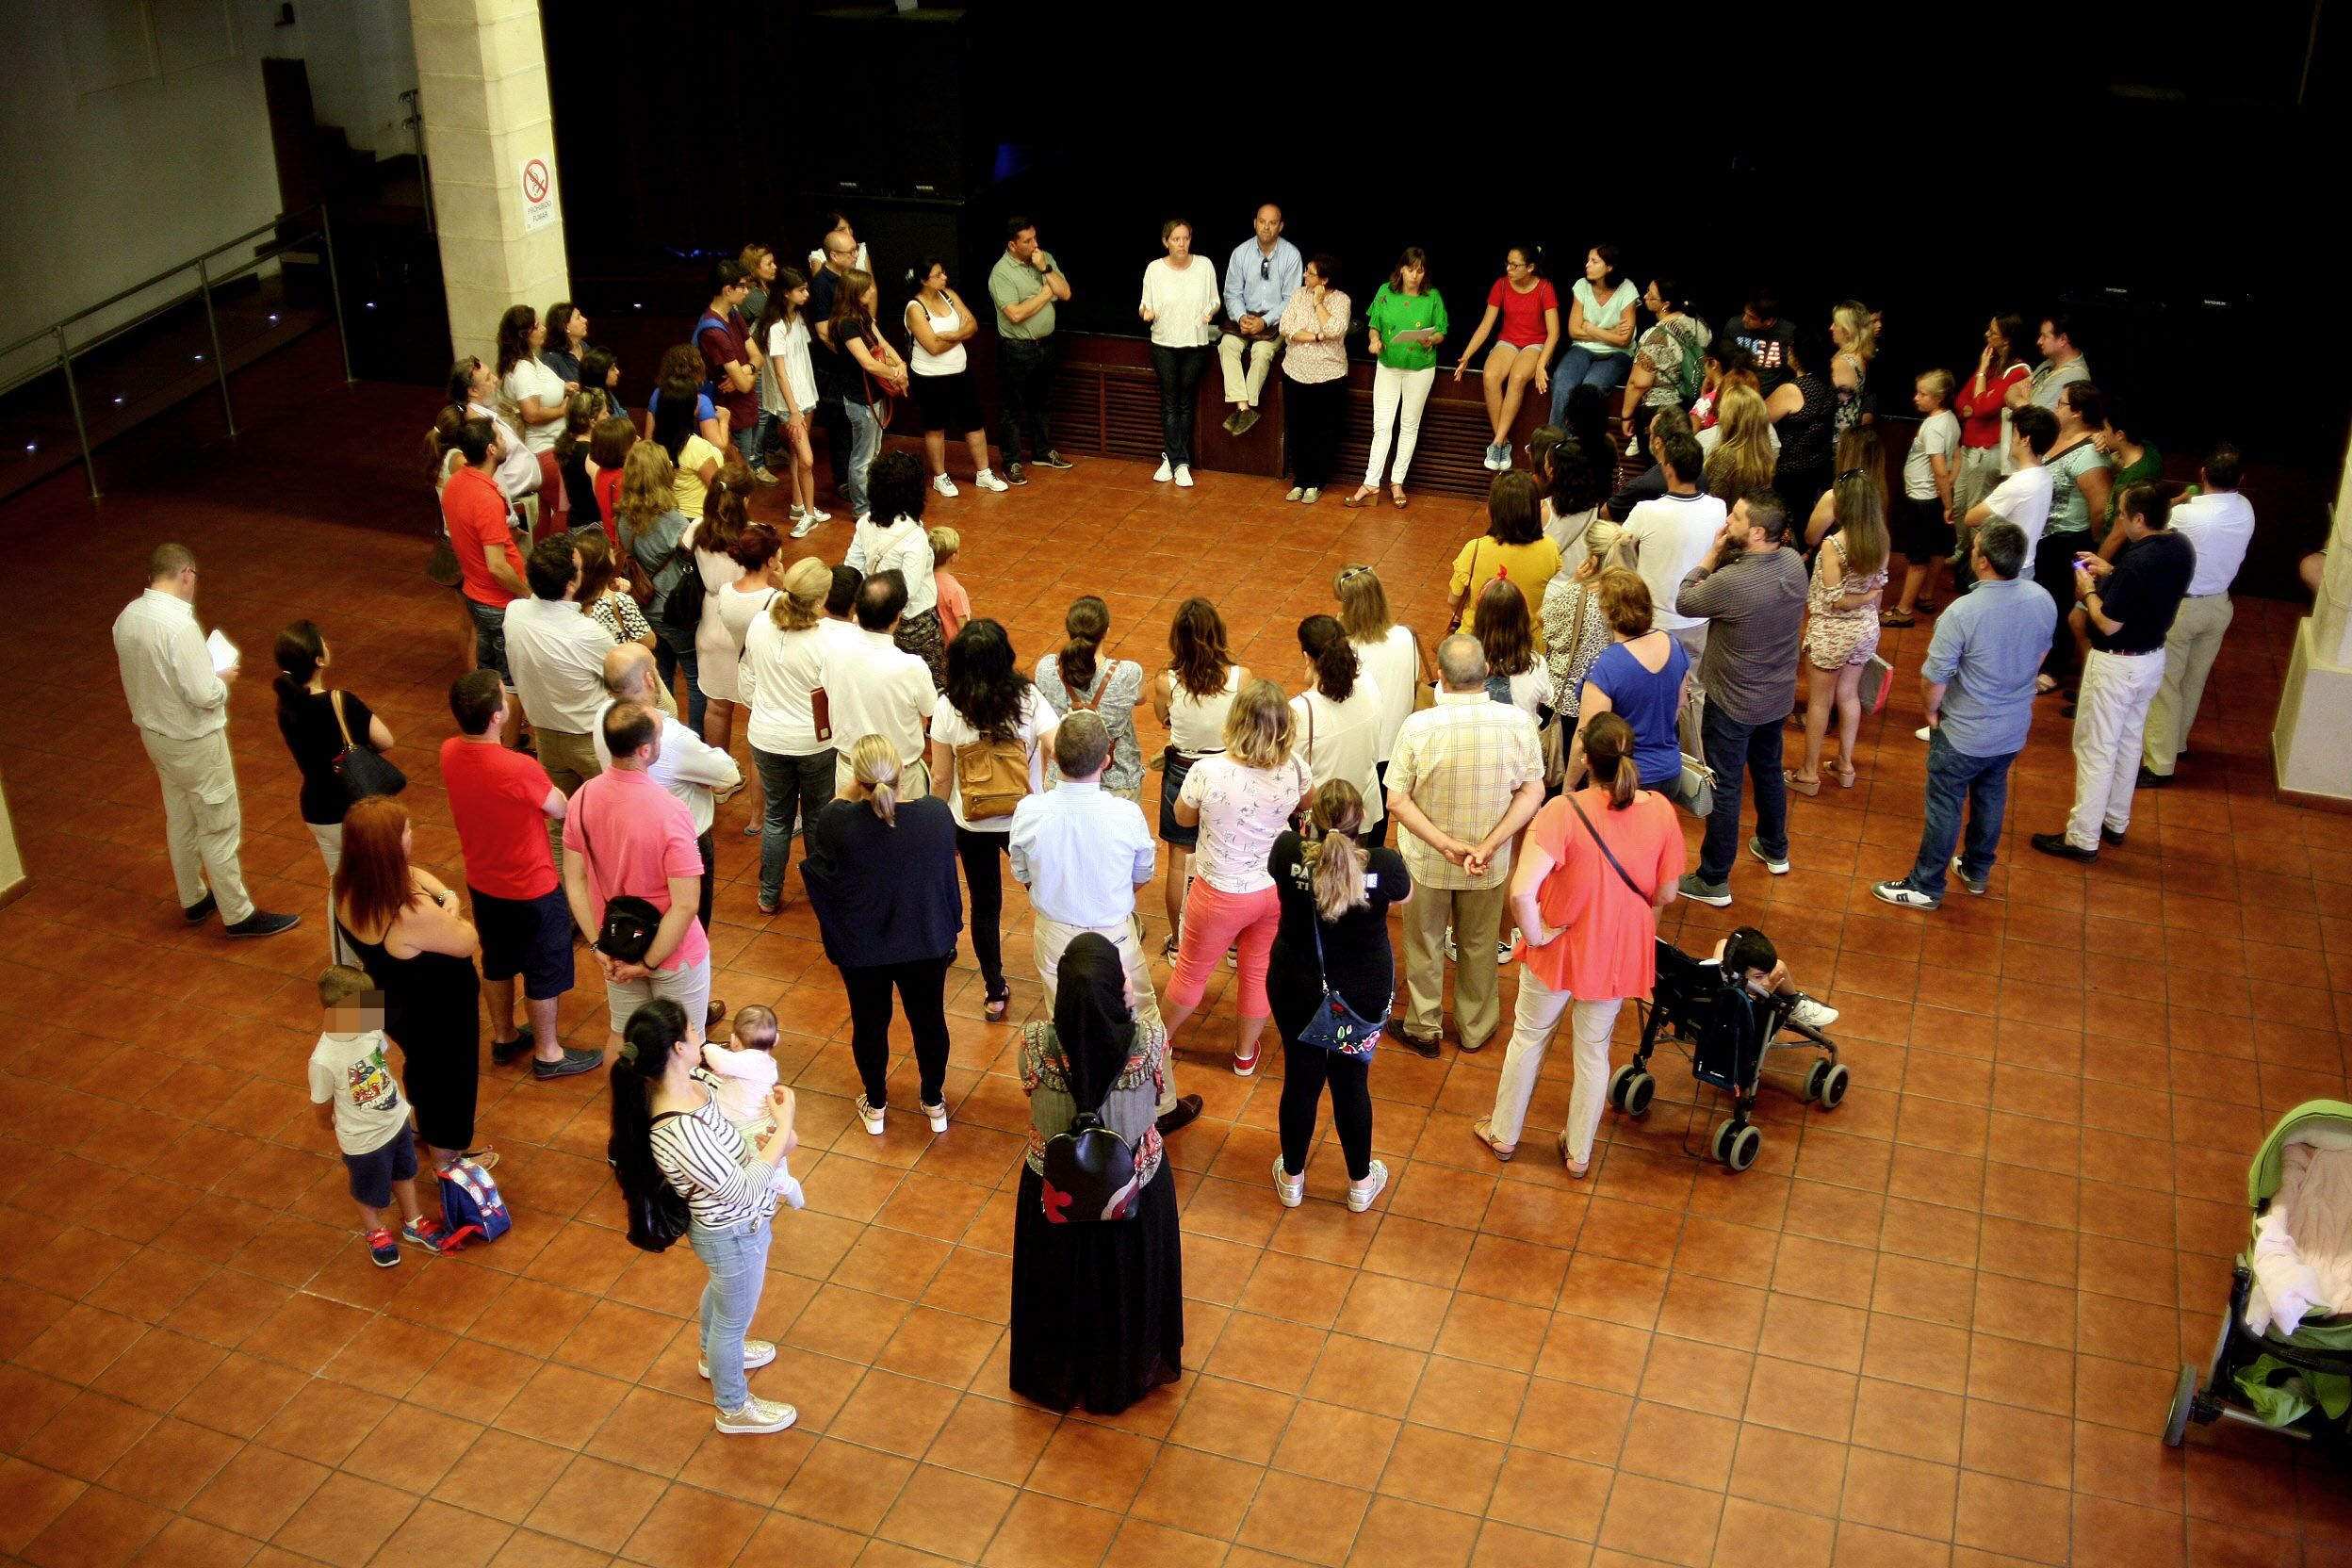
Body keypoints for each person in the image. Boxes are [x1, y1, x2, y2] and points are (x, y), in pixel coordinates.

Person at [1474, 712, 1681, 1168]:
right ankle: (1579, 1153)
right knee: (1593, 1050)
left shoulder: (1561, 813)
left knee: (1528, 1038)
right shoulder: (1662, 811)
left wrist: (1537, 935)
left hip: (1559, 947)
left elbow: (1522, 891)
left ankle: (1504, 1133)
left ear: (1586, 758)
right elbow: (1665, 892)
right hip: (1616, 953)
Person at [607, 998, 801, 1436]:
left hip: (731, 1227)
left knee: (723, 1297)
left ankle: (709, 1355)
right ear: (677, 1048)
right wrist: (783, 1130)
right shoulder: (680, 1130)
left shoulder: (694, 1081)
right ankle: (733, 1408)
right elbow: (743, 1188)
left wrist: (764, 1130)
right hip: (732, 1231)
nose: (702, 1037)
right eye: (694, 1032)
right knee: (733, 1322)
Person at [1009, 934, 1184, 1414]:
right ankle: (1124, 1364)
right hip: (1134, 1189)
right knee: (1127, 1285)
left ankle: (1060, 1368)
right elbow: (1157, 1101)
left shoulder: (1034, 1042)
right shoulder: (1149, 1043)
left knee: (1057, 1284)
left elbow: (1030, 1092)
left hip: (1055, 1189)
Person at [1010, 712, 1200, 1136]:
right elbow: (1142, 874)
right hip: (1115, 935)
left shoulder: (1030, 811)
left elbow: (1021, 874)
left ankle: (1077, 1106)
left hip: (1055, 934)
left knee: (1065, 1018)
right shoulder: (1126, 815)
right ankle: (1161, 1103)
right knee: (1143, 1016)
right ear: (1107, 759)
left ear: (1054, 756)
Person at [113, 545, 298, 938]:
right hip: (194, 741)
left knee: (179, 817)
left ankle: (193, 897)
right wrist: (221, 679)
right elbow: (203, 694)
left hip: (156, 737)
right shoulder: (179, 627)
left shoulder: (127, 618)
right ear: (186, 574)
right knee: (218, 826)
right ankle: (238, 913)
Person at [1871, 522, 2055, 908]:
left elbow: (1935, 678)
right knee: (1991, 793)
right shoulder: (2042, 600)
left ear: (1983, 561)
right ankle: (1976, 869)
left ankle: (1925, 886)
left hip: (1964, 732)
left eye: (1974, 549)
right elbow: (2040, 656)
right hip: (2013, 727)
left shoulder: (1962, 612)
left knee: (1945, 805)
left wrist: (1931, 713)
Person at [1385, 635, 1544, 1056]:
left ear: (1440, 677)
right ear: (1487, 672)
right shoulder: (1517, 724)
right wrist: (1491, 844)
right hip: (1488, 865)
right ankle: (1475, 1028)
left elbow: (1397, 799)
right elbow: (1532, 790)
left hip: (1427, 863)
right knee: (1478, 944)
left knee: (1425, 943)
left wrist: (1445, 845)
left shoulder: (1419, 727)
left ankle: (1424, 1026)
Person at [802, 735, 962, 1135]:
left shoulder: (838, 822)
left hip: (863, 947)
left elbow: (829, 837)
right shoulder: (935, 815)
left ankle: (875, 1105)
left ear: (857, 779)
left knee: (870, 1022)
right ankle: (933, 1101)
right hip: (925, 940)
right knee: (929, 1019)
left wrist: (851, 791)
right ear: (903, 771)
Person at [440, 670, 592, 1077]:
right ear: (496, 717)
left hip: (483, 881)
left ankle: (504, 1037)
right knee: (544, 967)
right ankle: (548, 1053)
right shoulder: (517, 767)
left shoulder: (449, 752)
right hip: (532, 885)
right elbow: (559, 807)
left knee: (498, 961)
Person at [2032, 483, 2194, 863]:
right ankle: (2115, 820)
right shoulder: (2178, 546)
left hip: (2116, 664)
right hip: (2151, 658)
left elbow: (2107, 624)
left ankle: (2082, 837)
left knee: (2095, 748)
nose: (2119, 519)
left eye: (2122, 514)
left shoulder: (2139, 562)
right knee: (2128, 741)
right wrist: (2111, 572)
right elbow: (2145, 585)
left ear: (2139, 518)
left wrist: (2088, 589)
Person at [1266, 781, 1409, 1209]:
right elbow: (1405, 894)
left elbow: (1286, 870)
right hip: (1362, 992)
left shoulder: (1288, 851)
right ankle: (1360, 1185)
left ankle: (1292, 1178)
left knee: (1300, 1078)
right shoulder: (1383, 863)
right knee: (1351, 1083)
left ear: (1312, 821)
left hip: (1297, 984)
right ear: (1361, 820)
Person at [1165, 679, 1312, 1074]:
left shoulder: (1207, 771)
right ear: (1285, 727)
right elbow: (1306, 802)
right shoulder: (1295, 766)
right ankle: (1245, 1054)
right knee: (1257, 970)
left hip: (1220, 892)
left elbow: (1181, 817)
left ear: (1236, 721)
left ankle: (1160, 1041)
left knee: (1192, 970)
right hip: (1273, 890)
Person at [333, 795, 484, 1172]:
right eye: (406, 831)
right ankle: (446, 1157)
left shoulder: (349, 885)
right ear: (391, 845)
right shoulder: (409, 913)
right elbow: (467, 939)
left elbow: (414, 873)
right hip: (438, 1010)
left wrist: (444, 897)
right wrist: (452, 908)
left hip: (395, 1001)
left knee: (422, 1068)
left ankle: (422, 1125)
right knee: (451, 1079)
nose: (411, 835)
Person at [1674, 492, 1809, 906]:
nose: (1726, 521)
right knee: (1768, 769)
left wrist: (1712, 553)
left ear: (1756, 532)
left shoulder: (1733, 581)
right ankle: (1774, 846)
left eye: (1734, 517)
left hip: (1732, 700)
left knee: (1726, 785)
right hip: (1776, 693)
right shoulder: (1792, 563)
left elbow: (1686, 599)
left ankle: (1714, 878)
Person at [564, 702, 720, 1052]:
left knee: (624, 1038)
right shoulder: (671, 811)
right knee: (684, 1045)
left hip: (617, 942)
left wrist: (597, 945)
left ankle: (626, 1106)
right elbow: (685, 905)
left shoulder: (583, 797)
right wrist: (648, 963)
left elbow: (575, 881)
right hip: (673, 951)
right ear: (645, 750)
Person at [928, 619, 1057, 1024]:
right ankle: (1060, 976)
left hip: (972, 821)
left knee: (986, 906)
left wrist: (937, 823)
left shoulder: (948, 705)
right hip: (1026, 816)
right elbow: (1057, 744)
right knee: (1050, 894)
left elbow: (943, 775)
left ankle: (994, 989)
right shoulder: (1028, 697)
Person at [595, 645, 743, 936]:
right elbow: (729, 773)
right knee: (690, 923)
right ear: (651, 680)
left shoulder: (604, 717)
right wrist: (699, 778)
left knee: (644, 916)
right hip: (683, 841)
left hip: (631, 835)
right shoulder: (671, 735)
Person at [272, 620, 395, 964]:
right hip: (352, 810)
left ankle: (348, 985)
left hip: (316, 808)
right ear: (319, 660)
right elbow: (386, 740)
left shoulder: (287, 706)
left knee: (340, 888)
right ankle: (369, 981)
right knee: (370, 893)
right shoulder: (341, 701)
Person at [309, 966, 449, 1265]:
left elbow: (380, 1058)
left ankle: (414, 1223)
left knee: (405, 1173)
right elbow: (322, 1104)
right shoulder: (324, 1060)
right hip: (364, 1140)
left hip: (396, 1121)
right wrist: (330, 1125)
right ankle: (375, 1231)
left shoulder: (369, 1026)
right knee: (368, 1190)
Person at [2143, 444, 2254, 786]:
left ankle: (2159, 764)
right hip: (2219, 605)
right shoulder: (2246, 508)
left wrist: (2175, 501)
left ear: (2202, 474)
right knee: (2194, 679)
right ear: (2241, 479)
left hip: (2183, 607)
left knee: (2165, 684)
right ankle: (2177, 744)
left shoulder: (2186, 516)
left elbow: (2152, 528)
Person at [743, 557, 848, 914]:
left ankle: (768, 894)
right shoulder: (829, 640)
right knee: (818, 816)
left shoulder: (759, 624)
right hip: (814, 743)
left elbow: (750, 676)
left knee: (776, 818)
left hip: (765, 737)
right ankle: (822, 895)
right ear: (820, 600)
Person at [1150, 598, 1249, 951]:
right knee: (1231, 853)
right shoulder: (1241, 678)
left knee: (1179, 858)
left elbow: (1163, 718)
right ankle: (1236, 945)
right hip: (1228, 772)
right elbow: (1246, 723)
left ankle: (1179, 942)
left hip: (1182, 772)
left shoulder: (1167, 682)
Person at [504, 535, 610, 864]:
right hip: (590, 742)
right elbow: (623, 676)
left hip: (546, 736)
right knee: (608, 825)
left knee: (561, 830)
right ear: (570, 583)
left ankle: (569, 908)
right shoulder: (588, 633)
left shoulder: (515, 612)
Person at [1788, 467, 1891, 792]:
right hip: (1865, 631)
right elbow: (1878, 586)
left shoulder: (1834, 545)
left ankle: (1808, 773)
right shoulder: (1882, 539)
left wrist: (1864, 596)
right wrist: (1872, 598)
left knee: (1820, 702)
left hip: (1831, 632)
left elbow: (1836, 600)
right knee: (1849, 696)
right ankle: (1844, 766)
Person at [439, 411, 530, 743]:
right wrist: (527, 593)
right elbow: (497, 564)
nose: (506, 442)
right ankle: (510, 748)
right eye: (501, 438)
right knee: (511, 683)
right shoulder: (484, 497)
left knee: (488, 674)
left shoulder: (456, 484)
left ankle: (487, 740)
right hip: (498, 601)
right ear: (491, 450)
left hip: (476, 595)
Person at [1566, 571, 1690, 806]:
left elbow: (1585, 736)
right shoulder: (1671, 643)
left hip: (1623, 778)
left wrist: (1569, 785)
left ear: (1607, 613)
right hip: (1670, 772)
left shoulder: (1607, 666)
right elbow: (1680, 703)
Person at [696, 517, 781, 834]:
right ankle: (759, 817)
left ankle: (723, 784)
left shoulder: (727, 592)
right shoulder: (775, 600)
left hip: (742, 669)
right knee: (760, 746)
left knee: (719, 711)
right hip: (768, 677)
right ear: (770, 560)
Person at [1346, 246, 1447, 508]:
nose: (1415, 275)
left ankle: (1397, 481)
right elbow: (1374, 326)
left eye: (1420, 271)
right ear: (1401, 269)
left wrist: (1430, 339)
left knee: (1409, 425)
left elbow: (1441, 333)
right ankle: (1371, 483)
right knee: (1382, 424)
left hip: (1420, 367)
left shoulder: (1432, 297)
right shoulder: (1385, 292)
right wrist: (1374, 341)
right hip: (1388, 365)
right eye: (1411, 269)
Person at [1613, 431, 1725, 661]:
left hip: (1656, 621)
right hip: (1698, 617)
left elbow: (1618, 549)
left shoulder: (1646, 511)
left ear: (1669, 469)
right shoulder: (1719, 507)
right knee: (1695, 688)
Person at [1335, 564, 1429, 837]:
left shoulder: (1346, 648)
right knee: (1379, 822)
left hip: (1361, 747)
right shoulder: (1405, 637)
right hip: (1397, 746)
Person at [2034, 382, 2115, 694]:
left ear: (2078, 412)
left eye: (2062, 403)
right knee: (2043, 601)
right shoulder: (2058, 437)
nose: (2056, 407)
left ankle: (2054, 668)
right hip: (2045, 536)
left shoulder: (2091, 454)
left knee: (2061, 603)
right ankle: (2038, 658)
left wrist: (2091, 546)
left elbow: (2099, 506)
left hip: (2069, 539)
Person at [826, 570, 938, 795]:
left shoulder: (833, 652)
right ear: (898, 617)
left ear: (856, 610)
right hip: (902, 777)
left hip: (852, 773)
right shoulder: (912, 667)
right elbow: (930, 709)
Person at [905, 256, 1007, 495]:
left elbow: (972, 325)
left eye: (943, 272)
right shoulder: (914, 308)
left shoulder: (949, 295)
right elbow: (932, 346)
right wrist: (959, 334)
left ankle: (984, 473)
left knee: (974, 423)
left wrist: (950, 335)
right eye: (937, 275)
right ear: (923, 280)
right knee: (935, 426)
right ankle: (940, 476)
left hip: (960, 372)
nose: (944, 277)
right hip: (929, 377)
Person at [1452, 245, 1559, 471]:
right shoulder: (1501, 285)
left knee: (1518, 377)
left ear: (1530, 267)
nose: (1509, 268)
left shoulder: (1544, 288)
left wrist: (1541, 364)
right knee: (1490, 375)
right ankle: (1503, 441)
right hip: (1508, 342)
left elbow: (1554, 332)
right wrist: (1467, 355)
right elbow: (1486, 324)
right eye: (1507, 263)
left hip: (1535, 344)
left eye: (1515, 265)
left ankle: (1498, 442)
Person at [615, 440, 702, 719]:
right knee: (693, 677)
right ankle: (697, 738)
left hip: (644, 609)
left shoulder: (624, 518)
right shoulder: (673, 520)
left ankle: (663, 729)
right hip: (674, 612)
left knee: (660, 676)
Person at [847, 453, 948, 687]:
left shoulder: (865, 522)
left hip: (874, 618)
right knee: (935, 687)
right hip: (914, 625)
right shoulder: (915, 536)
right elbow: (909, 590)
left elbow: (853, 567)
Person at [988, 217, 1073, 485]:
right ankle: (1012, 461)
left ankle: (1042, 451)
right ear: (1012, 245)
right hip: (1017, 348)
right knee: (1012, 407)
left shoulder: (1044, 258)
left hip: (1045, 345)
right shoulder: (1000, 273)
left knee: (1043, 402)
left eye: (1035, 237)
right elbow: (1015, 314)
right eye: (1028, 241)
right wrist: (1046, 295)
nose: (1035, 244)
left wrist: (1046, 270)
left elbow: (1066, 292)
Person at [1035, 596, 1146, 802]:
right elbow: (1140, 698)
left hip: (1062, 779)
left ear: (1068, 629)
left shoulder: (1046, 669)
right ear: (1106, 631)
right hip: (1119, 781)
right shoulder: (1129, 673)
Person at [1139, 218, 1221, 488]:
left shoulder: (1204, 265)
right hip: (1164, 343)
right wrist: (1147, 314)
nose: (1182, 243)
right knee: (1170, 402)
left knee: (1186, 403)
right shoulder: (1154, 269)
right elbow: (1145, 306)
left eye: (1186, 238)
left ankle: (1176, 460)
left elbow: (1215, 299)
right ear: (1166, 242)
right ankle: (1176, 460)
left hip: (1194, 343)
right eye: (1176, 239)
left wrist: (1210, 312)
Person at [1291, 615, 1386, 840]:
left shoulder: (1298, 710)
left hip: (1322, 822)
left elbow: (1291, 776)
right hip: (1361, 812)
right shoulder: (1368, 684)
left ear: (1307, 657)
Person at [824, 270, 906, 519]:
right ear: (855, 293)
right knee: (862, 455)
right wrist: (895, 373)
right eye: (867, 288)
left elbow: (882, 344)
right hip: (860, 398)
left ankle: (873, 500)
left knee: (874, 451)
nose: (872, 291)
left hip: (875, 395)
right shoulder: (846, 325)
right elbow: (867, 363)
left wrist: (900, 363)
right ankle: (862, 508)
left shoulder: (863, 316)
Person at [1949, 313, 2031, 564]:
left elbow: (1982, 408)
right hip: (1970, 447)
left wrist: (1981, 378)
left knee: (1976, 511)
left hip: (1989, 450)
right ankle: (1963, 556)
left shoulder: (2017, 371)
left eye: (1993, 332)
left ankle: (1977, 568)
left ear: (2007, 339)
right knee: (1960, 507)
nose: (1987, 335)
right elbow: (1962, 403)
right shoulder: (1993, 364)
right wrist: (1980, 392)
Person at [1884, 370, 1962, 626]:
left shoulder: (1934, 427)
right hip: (1936, 499)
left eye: (1922, 394)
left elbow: (1939, 470)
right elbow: (1958, 457)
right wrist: (1949, 486)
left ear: (1939, 398)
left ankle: (1904, 610)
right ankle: (1926, 596)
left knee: (1918, 555)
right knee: (1938, 548)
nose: (1916, 398)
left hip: (1924, 499)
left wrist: (1947, 505)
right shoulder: (1950, 420)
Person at [1450, 471, 1561, 650]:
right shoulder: (1550, 548)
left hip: (1476, 645)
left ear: (1492, 508)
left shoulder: (1475, 548)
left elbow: (1453, 600)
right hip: (1526, 645)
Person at [755, 267, 827, 534]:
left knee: (799, 455)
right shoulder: (775, 328)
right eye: (801, 290)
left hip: (807, 396)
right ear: (786, 293)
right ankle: (808, 514)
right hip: (791, 404)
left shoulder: (797, 319)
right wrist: (793, 412)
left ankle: (799, 504)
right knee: (807, 459)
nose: (807, 294)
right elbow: (781, 374)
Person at [1218, 204, 1301, 435]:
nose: (1266, 227)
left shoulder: (1291, 255)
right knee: (1227, 345)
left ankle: (1246, 407)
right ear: (1255, 222)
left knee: (1263, 352)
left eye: (1272, 222)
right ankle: (1243, 408)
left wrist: (1265, 321)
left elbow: (1291, 299)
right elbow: (1232, 293)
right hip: (1244, 319)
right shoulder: (1240, 253)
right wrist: (1241, 316)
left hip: (1274, 322)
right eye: (1262, 221)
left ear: (1281, 226)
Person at [1542, 521, 1625, 749]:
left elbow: (1543, 617)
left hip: (1565, 700)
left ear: (1593, 559)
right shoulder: (1627, 596)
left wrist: (1575, 580)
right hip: (1606, 702)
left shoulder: (1578, 595)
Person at [1278, 254, 1351, 504]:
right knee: (1298, 428)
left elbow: (1335, 329)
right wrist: (1318, 337)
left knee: (1323, 431)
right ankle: (1300, 480)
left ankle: (1316, 482)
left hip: (1328, 376)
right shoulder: (1299, 295)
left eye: (1310, 273)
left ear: (1324, 278)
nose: (1304, 276)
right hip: (1295, 371)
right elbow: (1286, 327)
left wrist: (1320, 305)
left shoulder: (1341, 300)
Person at [1548, 244, 1639, 427]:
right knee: (1563, 381)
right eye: (1588, 260)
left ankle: (1582, 444)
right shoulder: (1581, 286)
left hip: (1617, 353)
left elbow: (1624, 340)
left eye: (1594, 261)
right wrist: (1609, 333)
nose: (1587, 265)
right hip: (1582, 348)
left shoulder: (1627, 288)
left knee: (1591, 388)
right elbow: (1573, 330)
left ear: (1609, 267)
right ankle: (1557, 440)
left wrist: (1590, 328)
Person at [1619, 278, 1709, 446]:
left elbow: (1638, 383)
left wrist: (1626, 415)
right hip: (1695, 406)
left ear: (1665, 304)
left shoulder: (1655, 336)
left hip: (1660, 414)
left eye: (1651, 295)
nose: (1644, 297)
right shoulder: (1700, 324)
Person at [1967, 405, 2058, 567]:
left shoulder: (2018, 485)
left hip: (2004, 568)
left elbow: (1970, 518)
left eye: (2014, 433)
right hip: (2027, 563)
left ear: (2025, 440)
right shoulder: (2045, 476)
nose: (2010, 439)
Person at [1764, 327, 1837, 526]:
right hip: (1816, 469)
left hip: (1788, 473)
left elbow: (1758, 420)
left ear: (1798, 354)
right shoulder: (1828, 387)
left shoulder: (1792, 390)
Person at [696, 260, 763, 473]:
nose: (747, 291)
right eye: (743, 286)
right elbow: (743, 386)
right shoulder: (713, 330)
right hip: (729, 412)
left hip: (746, 406)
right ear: (727, 289)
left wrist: (746, 370)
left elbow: (758, 357)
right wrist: (746, 375)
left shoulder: (733, 314)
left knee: (746, 470)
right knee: (739, 478)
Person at [496, 306, 568, 488]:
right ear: (523, 335)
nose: (543, 328)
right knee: (563, 509)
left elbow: (540, 391)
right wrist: (562, 410)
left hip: (555, 445)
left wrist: (564, 387)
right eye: (537, 326)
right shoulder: (522, 370)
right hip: (545, 449)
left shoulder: (531, 359)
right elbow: (531, 414)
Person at [574, 529, 658, 659]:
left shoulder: (573, 599)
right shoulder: (620, 601)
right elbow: (649, 642)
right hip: (623, 668)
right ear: (608, 558)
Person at [1475, 580, 1547, 723]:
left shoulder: (1463, 660)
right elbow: (1539, 702)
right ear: (1523, 619)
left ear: (1480, 619)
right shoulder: (1536, 664)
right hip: (1523, 741)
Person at [1700, 384, 1779, 506]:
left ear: (1730, 417)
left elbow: (1714, 503)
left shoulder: (1724, 457)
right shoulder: (1765, 454)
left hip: (1726, 520)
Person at [2014, 312, 2091, 417]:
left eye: (2044, 336)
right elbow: (2011, 391)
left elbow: (2035, 418)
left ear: (2063, 339)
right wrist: (2025, 402)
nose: (2039, 341)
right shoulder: (2050, 362)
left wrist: (2022, 398)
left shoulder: (2074, 376)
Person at [1723, 293, 1796, 395]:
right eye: (1745, 313)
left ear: (1768, 321)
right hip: (1737, 394)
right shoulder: (1734, 327)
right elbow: (1724, 361)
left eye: (1751, 318)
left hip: (1771, 396)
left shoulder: (1788, 333)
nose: (1744, 319)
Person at [586, 415, 635, 547]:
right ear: (621, 450)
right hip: (622, 543)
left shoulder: (602, 472)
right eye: (633, 441)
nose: (638, 440)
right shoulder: (621, 480)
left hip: (611, 538)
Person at [1829, 299, 1877, 435]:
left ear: (1848, 329)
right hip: (1847, 435)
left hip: (1833, 437)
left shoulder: (1843, 362)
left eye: (1836, 324)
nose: (1831, 328)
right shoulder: (1859, 356)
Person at [928, 527, 971, 645]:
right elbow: (964, 628)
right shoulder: (956, 590)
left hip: (931, 645)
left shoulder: (924, 581)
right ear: (953, 556)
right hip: (952, 648)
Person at [540, 301, 590, 388]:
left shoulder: (585, 346)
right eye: (578, 318)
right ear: (565, 327)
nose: (585, 320)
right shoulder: (551, 359)